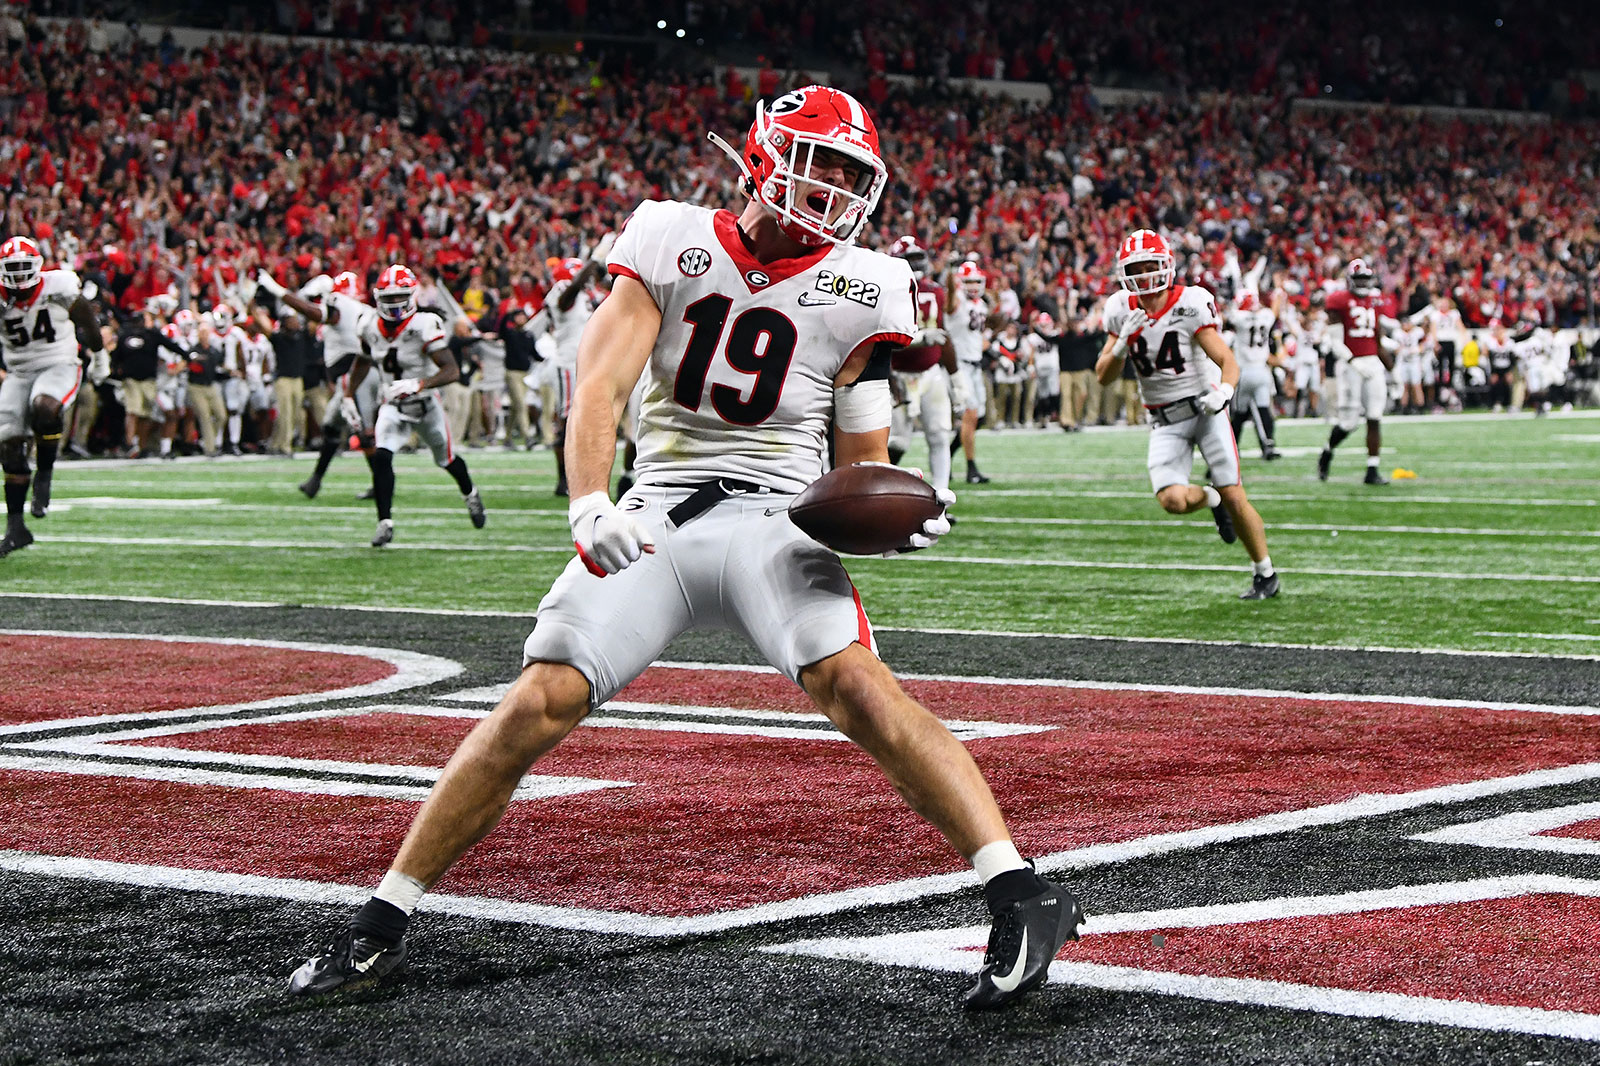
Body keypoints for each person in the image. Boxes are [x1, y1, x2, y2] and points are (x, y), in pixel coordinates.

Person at [289, 85, 1083, 1012]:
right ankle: (379, 925)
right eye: (818, 161)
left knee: (857, 684)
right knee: (535, 702)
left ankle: (1021, 891)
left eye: (850, 173)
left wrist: (893, 515)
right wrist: (588, 503)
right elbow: (601, 386)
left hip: (778, 519)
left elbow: (861, 465)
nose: (832, 187)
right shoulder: (668, 235)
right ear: (760, 153)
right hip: (657, 510)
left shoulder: (870, 284)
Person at [1096, 229, 1279, 600]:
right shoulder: (1120, 309)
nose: (1146, 275)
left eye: (1152, 266)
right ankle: (1212, 502)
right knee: (1172, 501)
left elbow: (1227, 361)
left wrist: (1224, 393)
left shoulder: (1191, 303)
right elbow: (1103, 376)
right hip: (1163, 418)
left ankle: (1265, 573)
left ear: (1167, 266)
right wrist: (1118, 347)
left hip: (1204, 408)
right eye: (1138, 268)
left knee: (1235, 492)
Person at [346, 264, 486, 547]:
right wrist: (349, 394)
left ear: (412, 296)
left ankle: (470, 493)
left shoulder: (424, 323)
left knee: (446, 460)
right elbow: (362, 360)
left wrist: (419, 384)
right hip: (394, 406)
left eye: (400, 297)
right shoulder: (369, 324)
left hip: (425, 406)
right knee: (382, 457)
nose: (394, 304)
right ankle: (384, 522)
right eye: (389, 298)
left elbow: (451, 370)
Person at [0, 235, 105, 555]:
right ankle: (16, 528)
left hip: (59, 362)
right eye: (11, 268)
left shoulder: (57, 285)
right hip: (19, 371)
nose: (18, 276)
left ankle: (44, 473)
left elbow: (86, 318)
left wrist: (100, 357)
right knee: (8, 444)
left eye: (23, 267)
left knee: (45, 407)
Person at [260, 271, 380, 499]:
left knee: (365, 434)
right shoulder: (365, 310)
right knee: (331, 427)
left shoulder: (340, 304)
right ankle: (316, 480)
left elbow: (312, 312)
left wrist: (277, 290)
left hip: (357, 377)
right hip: (357, 375)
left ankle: (383, 484)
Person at [885, 234, 965, 493]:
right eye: (910, 259)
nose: (916, 265)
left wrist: (957, 383)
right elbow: (883, 340)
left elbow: (943, 337)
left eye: (918, 258)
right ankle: (886, 494)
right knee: (896, 442)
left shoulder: (936, 291)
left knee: (940, 435)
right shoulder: (888, 293)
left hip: (931, 374)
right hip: (896, 374)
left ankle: (941, 497)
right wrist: (920, 339)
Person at [1318, 259, 1397, 485]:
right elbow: (1335, 342)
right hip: (1350, 364)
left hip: (1372, 363)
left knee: (1375, 416)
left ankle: (1372, 470)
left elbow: (1378, 339)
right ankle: (1327, 450)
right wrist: (1354, 361)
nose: (1363, 283)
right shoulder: (1338, 301)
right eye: (1359, 279)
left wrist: (1393, 371)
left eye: (1366, 279)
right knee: (1349, 422)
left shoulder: (1374, 300)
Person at [945, 259, 992, 482]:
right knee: (970, 415)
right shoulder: (957, 300)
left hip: (975, 364)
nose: (973, 285)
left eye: (976, 280)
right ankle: (971, 469)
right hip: (960, 364)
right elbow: (950, 301)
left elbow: (977, 335)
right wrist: (951, 278)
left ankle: (946, 455)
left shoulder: (980, 304)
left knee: (979, 418)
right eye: (969, 281)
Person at [1225, 290, 1282, 459]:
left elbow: (1229, 317)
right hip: (1263, 371)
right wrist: (1278, 293)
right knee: (1264, 408)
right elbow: (1274, 311)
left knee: (1239, 412)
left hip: (1244, 371)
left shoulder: (1239, 318)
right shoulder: (1265, 315)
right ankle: (1269, 444)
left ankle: (1232, 446)